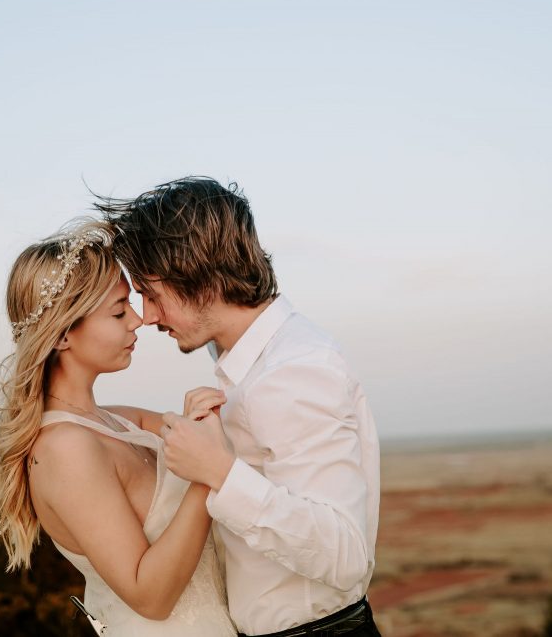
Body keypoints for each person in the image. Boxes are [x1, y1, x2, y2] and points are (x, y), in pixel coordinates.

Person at [96, 178, 382, 637]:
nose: (147, 316)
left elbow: (346, 556)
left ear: (197, 275)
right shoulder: (246, 361)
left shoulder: (294, 370)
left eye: (151, 293)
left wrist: (220, 473)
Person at [0, 218, 237, 636]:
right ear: (63, 336)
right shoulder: (64, 449)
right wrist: (204, 475)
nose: (136, 321)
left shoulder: (120, 420)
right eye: (119, 311)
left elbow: (223, 431)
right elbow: (150, 596)